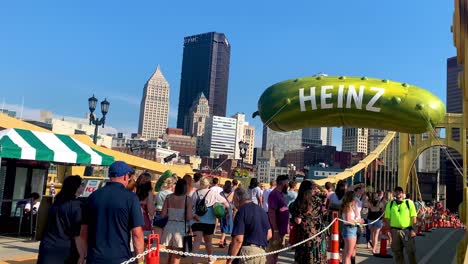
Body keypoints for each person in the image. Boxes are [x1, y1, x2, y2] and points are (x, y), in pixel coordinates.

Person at [81, 161, 144, 264]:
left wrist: (84, 256)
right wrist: (140, 261)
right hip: (120, 258)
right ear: (125, 177)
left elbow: (83, 232)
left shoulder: (93, 196)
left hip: (94, 258)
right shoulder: (131, 198)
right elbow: (137, 234)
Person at [38, 176, 86, 264]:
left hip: (47, 246)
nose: (83, 187)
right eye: (81, 184)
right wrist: (82, 254)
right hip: (64, 250)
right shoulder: (77, 206)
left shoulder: (56, 203)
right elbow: (77, 235)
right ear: (77, 188)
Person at [227, 187, 271, 264]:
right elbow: (269, 234)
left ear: (237, 199)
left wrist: (229, 261)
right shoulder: (262, 210)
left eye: (233, 200)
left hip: (248, 253)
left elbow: (238, 240)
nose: (233, 203)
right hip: (262, 253)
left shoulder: (241, 211)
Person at [192, 177, 230, 264]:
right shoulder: (213, 193)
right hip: (209, 221)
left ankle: (194, 261)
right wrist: (226, 213)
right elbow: (226, 203)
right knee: (208, 241)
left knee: (196, 242)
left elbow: (191, 206)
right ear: (208, 184)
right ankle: (210, 258)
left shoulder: (195, 193)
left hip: (196, 220)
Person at [289, 181, 327, 264]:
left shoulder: (299, 203)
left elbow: (298, 221)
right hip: (318, 234)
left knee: (303, 258)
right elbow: (325, 194)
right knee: (316, 257)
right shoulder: (317, 200)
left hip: (304, 236)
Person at [161, 179, 193, 264]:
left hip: (169, 226)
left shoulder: (168, 197)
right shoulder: (188, 199)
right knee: (176, 257)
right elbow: (188, 217)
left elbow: (163, 214)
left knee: (169, 255)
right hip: (180, 228)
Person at [384, 186, 417, 264]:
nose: (398, 193)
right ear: (394, 193)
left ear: (403, 193)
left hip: (407, 231)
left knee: (410, 252)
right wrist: (388, 230)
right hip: (395, 231)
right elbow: (387, 218)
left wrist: (413, 229)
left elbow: (414, 217)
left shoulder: (409, 203)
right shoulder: (390, 204)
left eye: (400, 191)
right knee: (397, 252)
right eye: (396, 191)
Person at [267, 175, 289, 264]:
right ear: (282, 183)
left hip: (281, 230)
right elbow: (271, 213)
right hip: (276, 230)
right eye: (287, 183)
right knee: (272, 253)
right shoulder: (274, 194)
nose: (288, 185)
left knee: (276, 253)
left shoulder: (280, 194)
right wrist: (275, 230)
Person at [341, 191, 363, 264]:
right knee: (348, 254)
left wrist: (355, 206)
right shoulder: (348, 206)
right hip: (350, 229)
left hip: (350, 229)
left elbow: (356, 214)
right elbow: (348, 220)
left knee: (346, 252)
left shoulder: (349, 205)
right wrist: (359, 221)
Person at [219, 181, 234, 248]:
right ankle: (222, 241)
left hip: (221, 209)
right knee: (228, 224)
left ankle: (223, 240)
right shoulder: (232, 193)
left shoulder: (221, 193)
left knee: (223, 224)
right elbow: (234, 203)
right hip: (229, 209)